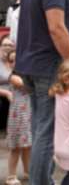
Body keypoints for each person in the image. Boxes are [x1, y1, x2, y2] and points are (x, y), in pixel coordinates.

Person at [15, 0, 69, 185]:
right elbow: (56, 28)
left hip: (31, 67)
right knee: (46, 132)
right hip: (48, 67)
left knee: (39, 127)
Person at [5, 50, 31, 185]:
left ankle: (27, 171)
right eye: (12, 60)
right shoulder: (13, 77)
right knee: (15, 147)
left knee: (27, 146)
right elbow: (25, 86)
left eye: (18, 59)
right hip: (18, 116)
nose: (16, 62)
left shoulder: (27, 75)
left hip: (28, 114)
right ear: (9, 64)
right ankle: (11, 175)